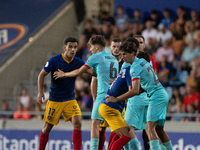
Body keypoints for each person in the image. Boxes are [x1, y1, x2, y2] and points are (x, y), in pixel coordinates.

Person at [53, 35, 119, 150]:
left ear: (97, 47)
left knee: (94, 124)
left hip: (103, 96)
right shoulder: (113, 58)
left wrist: (64, 74)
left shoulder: (96, 57)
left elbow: (79, 72)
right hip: (116, 97)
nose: (90, 49)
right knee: (119, 129)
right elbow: (97, 73)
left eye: (91, 47)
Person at [106, 40, 173, 150]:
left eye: (125, 54)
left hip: (156, 96)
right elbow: (143, 87)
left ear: (133, 53)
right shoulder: (143, 61)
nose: (122, 57)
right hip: (161, 94)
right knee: (159, 131)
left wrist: (116, 98)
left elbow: (135, 90)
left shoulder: (134, 68)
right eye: (122, 54)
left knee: (149, 128)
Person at [37, 37, 93, 150]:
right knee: (47, 127)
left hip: (69, 99)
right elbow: (41, 74)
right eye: (70, 47)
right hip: (55, 100)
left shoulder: (77, 61)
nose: (73, 50)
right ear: (64, 48)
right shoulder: (54, 60)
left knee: (77, 122)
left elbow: (92, 72)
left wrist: (96, 64)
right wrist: (40, 92)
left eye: (75, 47)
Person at [99, 46, 148, 150]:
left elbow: (130, 88)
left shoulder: (127, 69)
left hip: (110, 107)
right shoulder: (133, 71)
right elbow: (133, 91)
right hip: (110, 107)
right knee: (126, 136)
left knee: (119, 134)